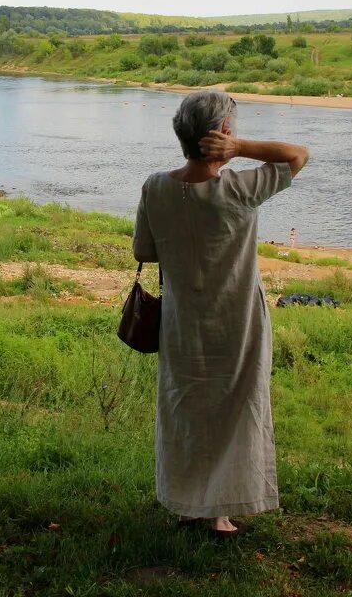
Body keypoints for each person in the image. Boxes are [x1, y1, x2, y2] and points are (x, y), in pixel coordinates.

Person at [133, 90, 309, 536]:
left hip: (181, 323)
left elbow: (144, 252)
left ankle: (188, 504)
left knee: (184, 408)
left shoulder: (155, 186)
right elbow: (298, 155)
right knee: (234, 410)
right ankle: (220, 513)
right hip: (238, 322)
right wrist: (242, 149)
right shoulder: (240, 188)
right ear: (222, 135)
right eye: (232, 130)